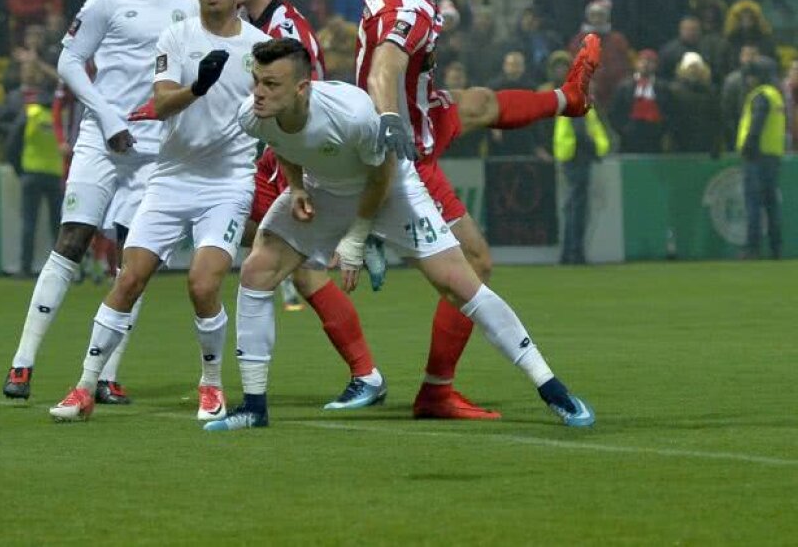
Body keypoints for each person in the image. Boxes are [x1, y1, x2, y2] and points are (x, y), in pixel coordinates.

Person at [208, 39, 594, 431]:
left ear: (302, 88)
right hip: (324, 190)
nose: (258, 92)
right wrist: (298, 187)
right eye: (256, 81)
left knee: (461, 284)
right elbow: (284, 144)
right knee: (257, 272)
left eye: (271, 84)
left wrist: (357, 239)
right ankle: (254, 407)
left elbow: (382, 172)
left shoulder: (352, 112)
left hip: (391, 188)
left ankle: (551, 388)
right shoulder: (252, 114)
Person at [353, 0, 601, 421]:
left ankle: (567, 98)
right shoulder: (410, 13)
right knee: (476, 262)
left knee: (483, 101)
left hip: (421, 113)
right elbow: (385, 68)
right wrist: (391, 123)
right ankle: (435, 388)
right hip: (403, 146)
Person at [49, 0, 269, 423]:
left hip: (227, 183)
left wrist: (296, 177)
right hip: (170, 179)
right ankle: (85, 385)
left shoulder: (259, 47)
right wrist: (198, 88)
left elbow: (277, 112)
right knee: (129, 278)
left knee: (202, 283)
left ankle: (211, 385)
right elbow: (163, 104)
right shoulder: (177, 35)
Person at [2, 0, 198, 404]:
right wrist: (108, 117)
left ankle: (105, 374)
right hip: (102, 141)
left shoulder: (189, 8)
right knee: (72, 239)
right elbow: (70, 61)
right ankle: (22, 364)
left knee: (136, 262)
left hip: (154, 150)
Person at [235, 0, 386, 409]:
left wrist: (295, 176)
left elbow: (306, 100)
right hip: (267, 149)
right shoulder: (247, 25)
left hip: (282, 151)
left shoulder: (285, 28)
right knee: (261, 251)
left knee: (293, 266)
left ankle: (365, 372)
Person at [6, 82, 65, 277]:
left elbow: (12, 142)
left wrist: (18, 168)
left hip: (31, 173)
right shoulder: (60, 118)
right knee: (56, 225)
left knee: (29, 223)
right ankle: (60, 269)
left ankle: (25, 267)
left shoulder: (31, 113)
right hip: (55, 174)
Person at [737, 61, 784, 259]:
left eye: (751, 75)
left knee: (753, 203)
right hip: (773, 154)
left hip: (757, 155)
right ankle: (776, 248)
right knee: (771, 204)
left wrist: (749, 145)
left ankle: (753, 248)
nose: (748, 79)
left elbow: (757, 122)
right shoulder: (776, 96)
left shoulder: (760, 96)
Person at [554, 105, 611, 265]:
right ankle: (575, 253)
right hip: (578, 158)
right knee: (577, 208)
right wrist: (594, 151)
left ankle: (567, 254)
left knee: (571, 206)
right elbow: (581, 134)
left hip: (569, 157)